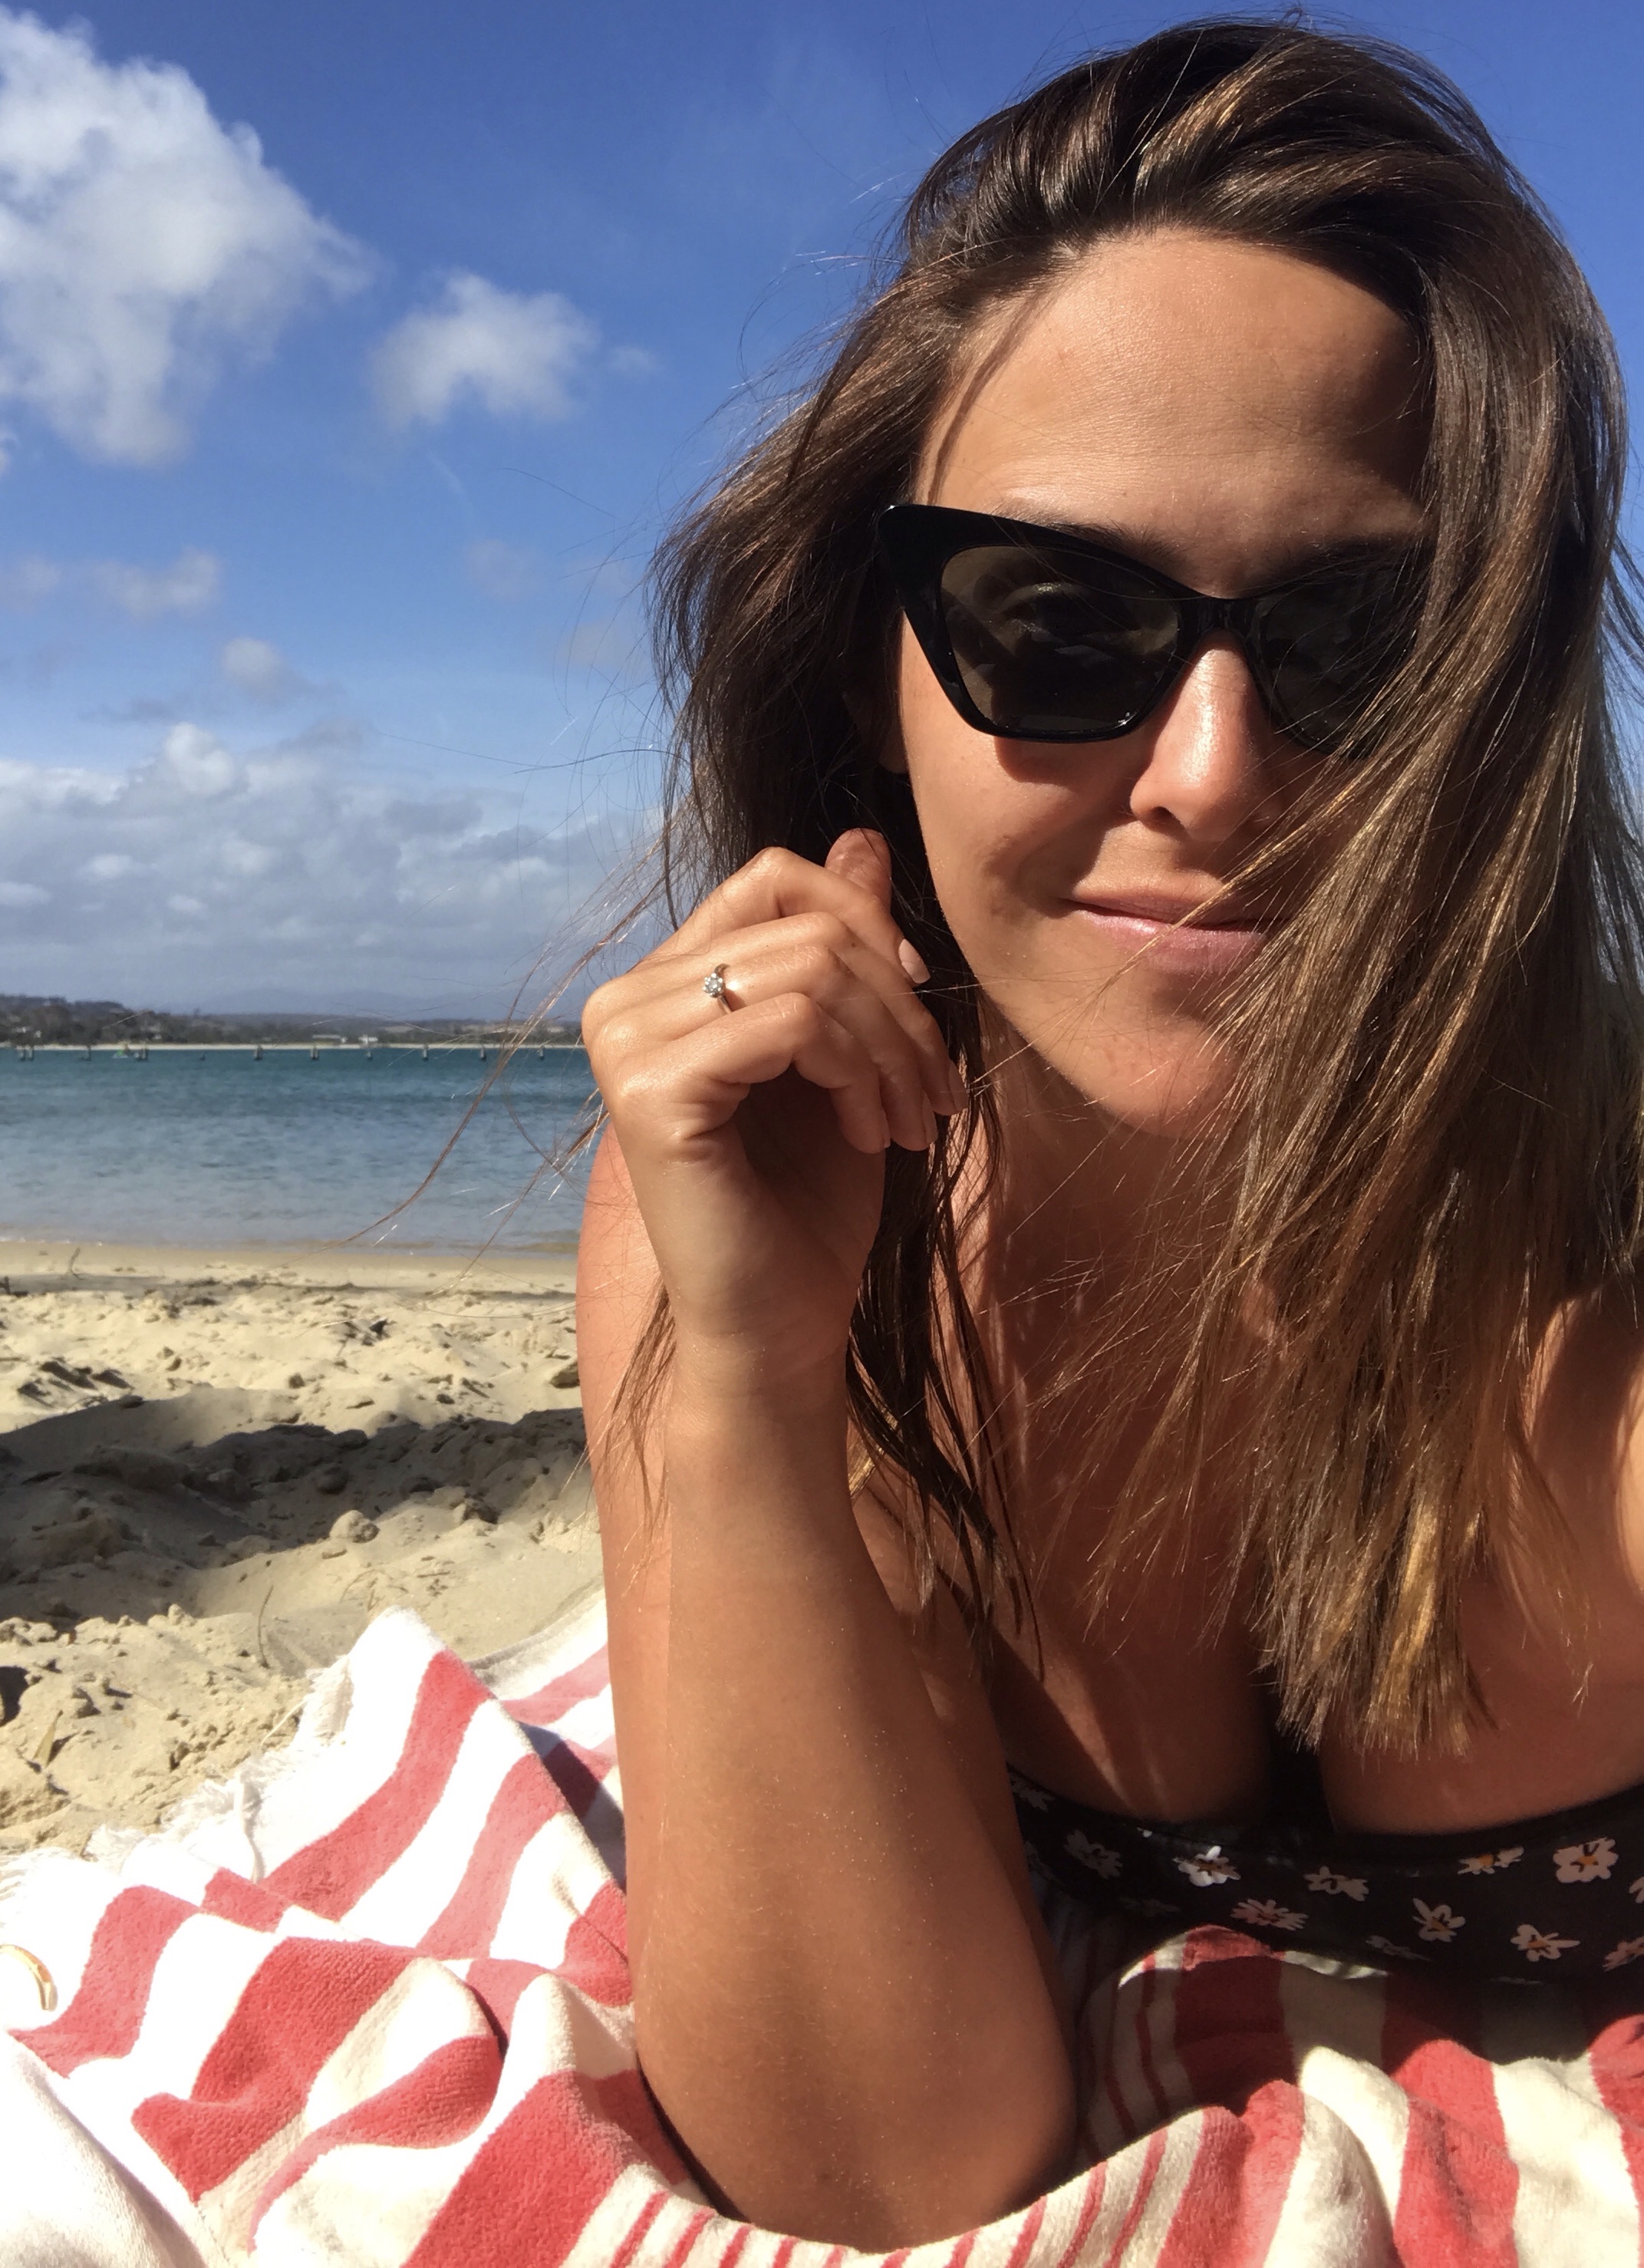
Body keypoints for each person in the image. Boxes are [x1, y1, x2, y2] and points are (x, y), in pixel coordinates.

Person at [575, 17, 1644, 2248]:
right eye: (1059, 621)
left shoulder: (1605, 1251)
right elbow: (882, 2172)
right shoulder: (760, 1190)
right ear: (871, 665)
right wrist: (753, 1391)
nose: (1214, 774)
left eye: (1362, 636)